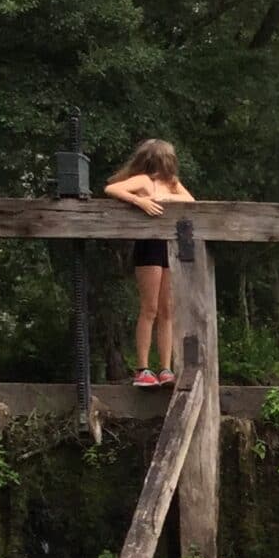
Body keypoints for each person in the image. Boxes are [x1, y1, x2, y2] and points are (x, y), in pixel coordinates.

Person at [104, 140, 193, 386]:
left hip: (169, 247)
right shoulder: (144, 181)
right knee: (150, 308)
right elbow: (112, 189)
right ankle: (142, 369)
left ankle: (165, 368)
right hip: (149, 247)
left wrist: (169, 198)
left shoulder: (173, 184)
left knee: (167, 310)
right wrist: (140, 201)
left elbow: (192, 203)